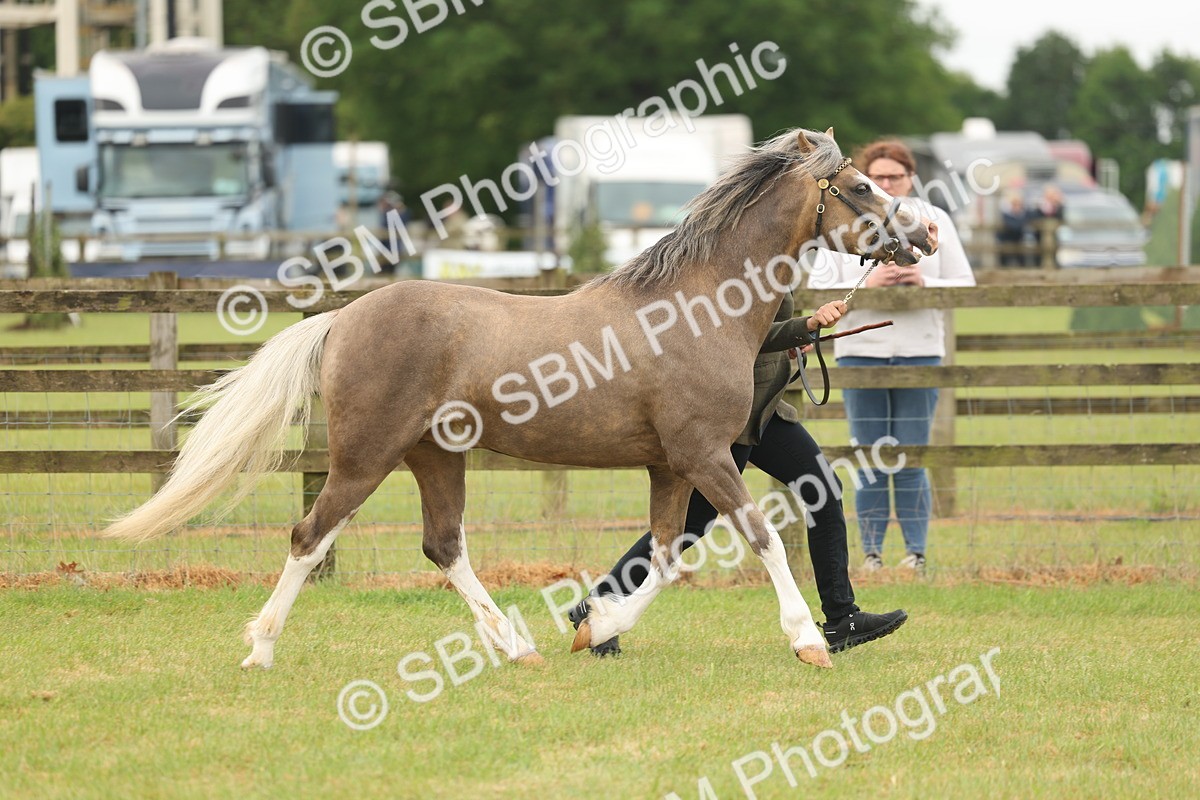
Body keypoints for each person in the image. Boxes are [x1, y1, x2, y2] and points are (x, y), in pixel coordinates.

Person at [569, 293, 908, 657]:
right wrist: (804, 327)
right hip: (731, 412)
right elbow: (732, 329)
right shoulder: (736, 260)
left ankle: (843, 617)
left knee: (822, 487)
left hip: (763, 408)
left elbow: (756, 336)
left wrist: (789, 347)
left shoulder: (769, 259)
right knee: (694, 518)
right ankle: (600, 602)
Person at [807, 138, 975, 573]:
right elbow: (823, 286)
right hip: (861, 351)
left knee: (911, 455)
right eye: (877, 177)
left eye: (894, 176)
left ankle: (916, 553)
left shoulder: (932, 219)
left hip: (920, 351)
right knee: (871, 456)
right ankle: (871, 554)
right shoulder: (845, 220)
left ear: (910, 178)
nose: (886, 183)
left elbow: (965, 284)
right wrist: (870, 285)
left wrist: (925, 284)